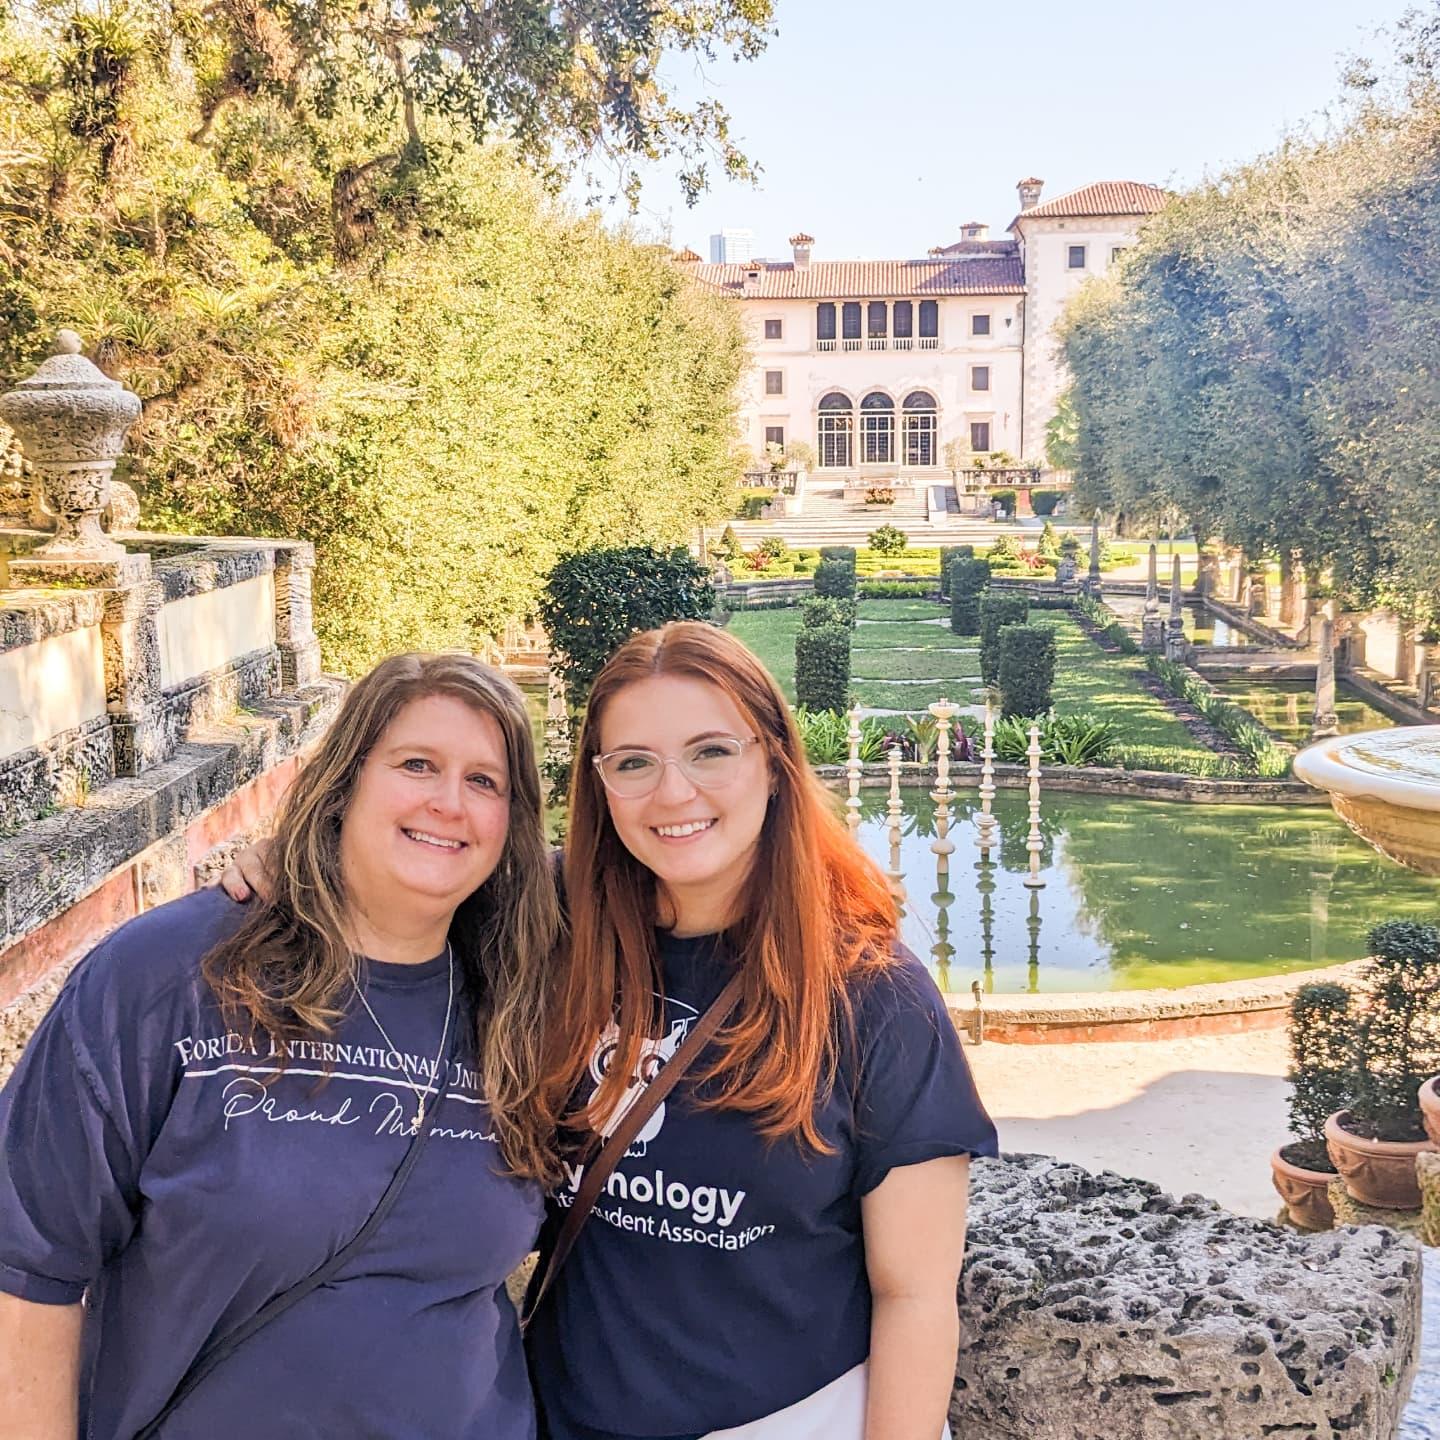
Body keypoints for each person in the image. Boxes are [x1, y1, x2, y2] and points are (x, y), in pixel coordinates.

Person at [0, 653, 561, 1438]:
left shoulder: (524, 996)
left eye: (485, 782)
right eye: (416, 764)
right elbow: (27, 1265)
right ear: (343, 784)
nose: (448, 803)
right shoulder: (170, 976)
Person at [526, 621, 998, 1440]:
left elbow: (916, 1295)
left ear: (775, 762)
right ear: (599, 783)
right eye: (633, 762)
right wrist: (284, 868)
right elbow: (404, 879)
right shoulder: (556, 938)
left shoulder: (875, 998)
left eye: (711, 751)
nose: (673, 794)